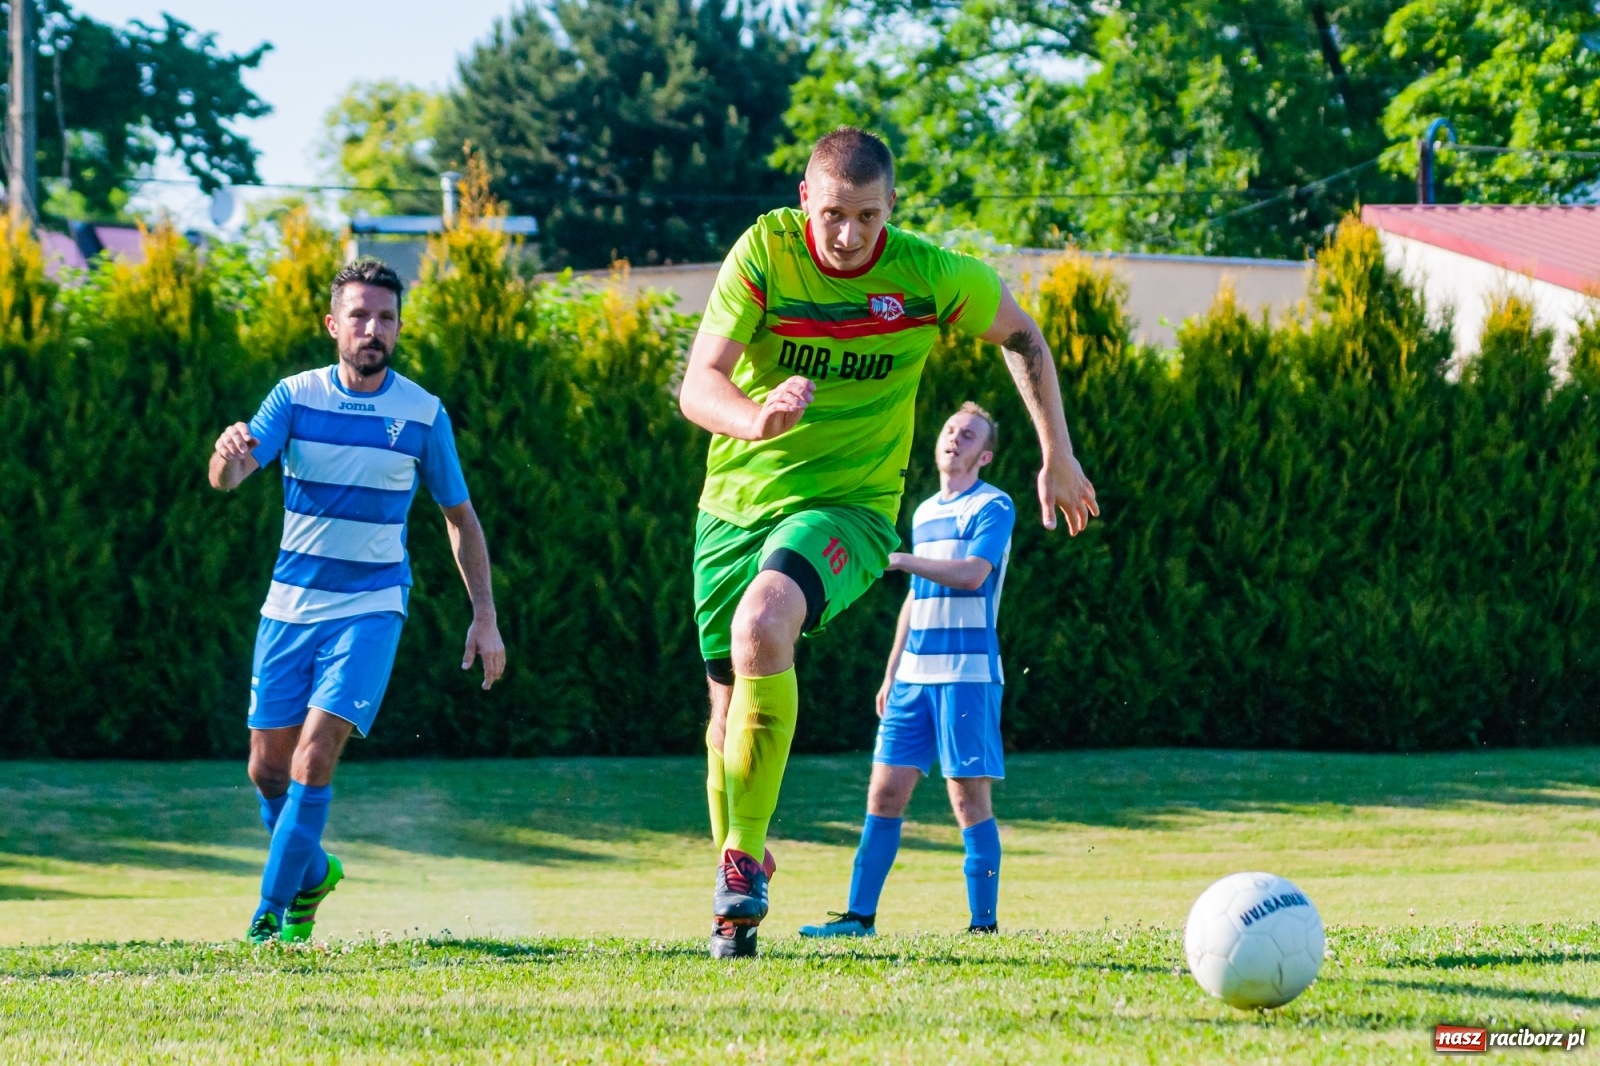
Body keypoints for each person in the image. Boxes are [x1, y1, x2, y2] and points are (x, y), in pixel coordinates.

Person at [678, 126, 1098, 959]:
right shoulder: (764, 254)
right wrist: (757, 420)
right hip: (731, 508)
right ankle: (737, 891)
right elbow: (700, 383)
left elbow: (1023, 335)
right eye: (833, 214)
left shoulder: (927, 275)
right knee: (724, 715)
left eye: (867, 216)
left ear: (891, 207)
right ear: (806, 199)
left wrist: (1057, 451)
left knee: (764, 622)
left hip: (849, 510)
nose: (848, 235)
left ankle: (741, 860)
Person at [208, 257, 506, 944]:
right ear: (332, 325)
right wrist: (226, 453)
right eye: (360, 316)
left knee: (314, 756)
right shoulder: (294, 397)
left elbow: (460, 518)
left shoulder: (423, 414)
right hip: (288, 608)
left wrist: (485, 617)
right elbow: (231, 476)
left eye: (386, 318)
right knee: (266, 770)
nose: (373, 329)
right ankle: (313, 875)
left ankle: (269, 917)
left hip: (370, 607)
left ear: (398, 328)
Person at [799, 403, 1014, 939]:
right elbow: (916, 599)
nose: (955, 438)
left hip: (966, 675)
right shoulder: (921, 512)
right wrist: (892, 671)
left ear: (985, 456)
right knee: (884, 795)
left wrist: (899, 559)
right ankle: (858, 919)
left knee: (967, 800)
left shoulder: (994, 505)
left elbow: (972, 575)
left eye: (969, 435)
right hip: (913, 679)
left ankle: (983, 927)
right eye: (950, 430)